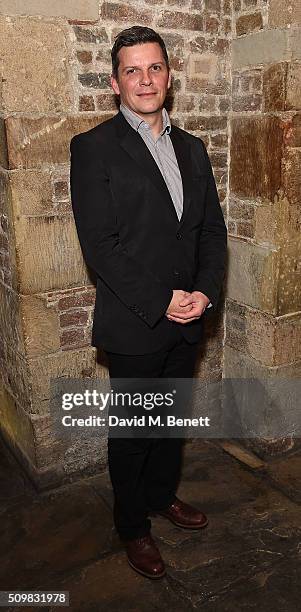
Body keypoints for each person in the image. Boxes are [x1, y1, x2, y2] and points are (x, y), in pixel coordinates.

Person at [70, 25, 227, 579]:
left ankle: (162, 497)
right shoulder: (93, 149)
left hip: (189, 320)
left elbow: (210, 231)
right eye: (132, 70)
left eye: (154, 67)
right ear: (115, 82)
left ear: (169, 74)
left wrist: (204, 292)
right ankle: (133, 525)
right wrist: (164, 301)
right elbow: (102, 247)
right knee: (134, 432)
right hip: (137, 322)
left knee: (170, 422)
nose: (145, 79)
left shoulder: (193, 148)